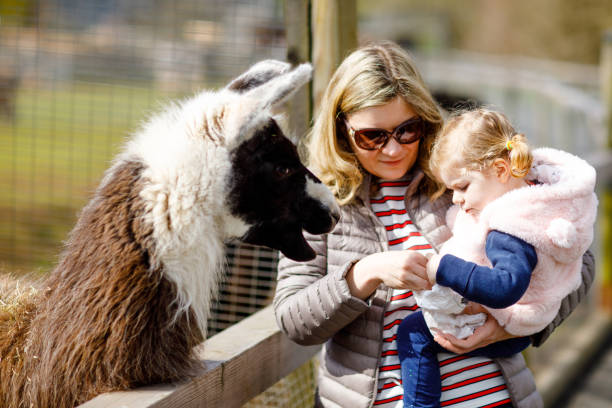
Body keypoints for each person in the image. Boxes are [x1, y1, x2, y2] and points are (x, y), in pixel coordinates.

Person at [272, 41, 595, 408]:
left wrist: (506, 328)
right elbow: (294, 320)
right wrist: (365, 273)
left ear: (424, 119)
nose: (393, 149)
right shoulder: (318, 207)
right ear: (342, 128)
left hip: (494, 397)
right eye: (372, 136)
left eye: (406, 130)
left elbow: (577, 265)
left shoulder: (461, 180)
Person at [396, 108, 598, 408]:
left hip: (508, 323)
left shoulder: (509, 229)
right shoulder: (541, 199)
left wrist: (445, 268)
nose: (455, 199)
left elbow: (506, 286)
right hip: (526, 323)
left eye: (463, 187)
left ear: (502, 170)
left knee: (412, 332)